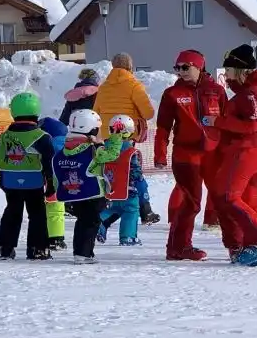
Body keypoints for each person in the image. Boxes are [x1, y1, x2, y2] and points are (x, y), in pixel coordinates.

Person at [154, 49, 223, 261]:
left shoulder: (216, 90)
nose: (181, 72)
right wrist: (160, 154)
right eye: (177, 68)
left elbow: (227, 121)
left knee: (225, 197)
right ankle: (179, 247)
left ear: (199, 66)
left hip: (213, 153)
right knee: (192, 202)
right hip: (185, 154)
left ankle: (237, 244)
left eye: (186, 67)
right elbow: (163, 127)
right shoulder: (172, 94)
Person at [213, 44, 257, 266]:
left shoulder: (248, 93)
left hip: (246, 151)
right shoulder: (250, 92)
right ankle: (253, 247)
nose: (226, 75)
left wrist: (218, 121)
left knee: (227, 197)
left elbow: (251, 125)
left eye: (229, 70)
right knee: (248, 199)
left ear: (240, 71)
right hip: (254, 150)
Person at [53, 109, 124, 264]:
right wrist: (116, 136)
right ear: (91, 129)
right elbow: (112, 155)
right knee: (91, 222)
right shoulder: (92, 149)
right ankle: (84, 254)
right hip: (92, 193)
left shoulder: (66, 148)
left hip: (72, 193)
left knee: (82, 222)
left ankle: (81, 252)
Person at [0, 91, 56, 260]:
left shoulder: (5, 136)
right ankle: (37, 248)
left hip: (11, 182)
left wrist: (2, 180)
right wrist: (51, 184)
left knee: (12, 212)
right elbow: (50, 163)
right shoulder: (41, 136)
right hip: (34, 183)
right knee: (37, 214)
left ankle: (6, 248)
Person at [96, 114, 146, 246]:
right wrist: (144, 194)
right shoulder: (130, 151)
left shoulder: (103, 147)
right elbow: (136, 173)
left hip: (109, 188)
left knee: (115, 208)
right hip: (128, 190)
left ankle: (99, 221)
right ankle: (128, 237)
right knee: (131, 210)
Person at [93, 53, 155, 141]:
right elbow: (148, 114)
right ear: (130, 66)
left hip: (107, 135)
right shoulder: (135, 86)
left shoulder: (103, 87)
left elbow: (95, 113)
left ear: (113, 65)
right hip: (127, 133)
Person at [39, 116, 69, 251]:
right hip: (61, 182)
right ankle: (56, 238)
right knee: (57, 211)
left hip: (46, 181)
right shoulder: (66, 143)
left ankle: (48, 237)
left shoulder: (47, 143)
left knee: (45, 211)